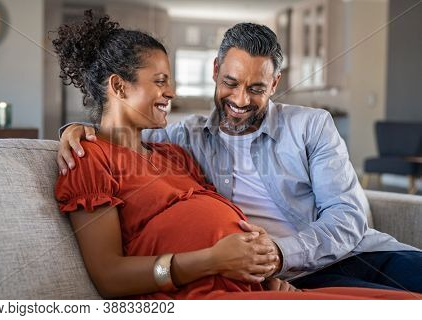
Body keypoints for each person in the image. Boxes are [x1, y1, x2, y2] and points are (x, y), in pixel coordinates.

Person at [54, 11, 420, 299]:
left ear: (275, 83)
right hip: (286, 282)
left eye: (257, 88)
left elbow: (347, 216)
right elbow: (120, 128)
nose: (241, 100)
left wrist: (278, 254)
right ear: (215, 72)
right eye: (230, 83)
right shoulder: (185, 136)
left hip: (357, 255)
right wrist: (74, 129)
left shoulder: (311, 126)